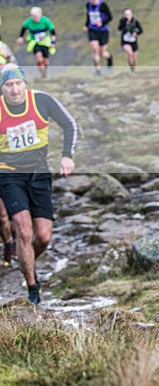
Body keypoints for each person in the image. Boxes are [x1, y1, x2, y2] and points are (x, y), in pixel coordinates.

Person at [0, 64, 77, 305]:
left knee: (42, 237)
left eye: (18, 84)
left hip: (39, 172)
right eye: (9, 85)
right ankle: (32, 285)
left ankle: (27, 258)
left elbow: (69, 124)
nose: (14, 90)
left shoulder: (42, 101)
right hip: (9, 174)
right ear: (2, 88)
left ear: (25, 83)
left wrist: (67, 155)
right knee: (23, 230)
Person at [83, 0, 113, 76]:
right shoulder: (88, 5)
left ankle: (109, 58)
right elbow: (88, 16)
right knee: (95, 49)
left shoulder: (103, 5)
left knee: (102, 53)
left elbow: (110, 17)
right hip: (93, 30)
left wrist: (102, 23)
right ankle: (98, 70)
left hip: (103, 31)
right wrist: (86, 25)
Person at [17, 7, 55, 78]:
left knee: (46, 62)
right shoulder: (28, 22)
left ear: (40, 15)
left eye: (36, 16)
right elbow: (23, 29)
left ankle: (45, 71)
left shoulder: (46, 21)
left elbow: (53, 33)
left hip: (45, 43)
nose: (34, 18)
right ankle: (42, 73)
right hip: (35, 42)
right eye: (33, 16)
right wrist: (20, 37)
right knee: (39, 58)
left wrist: (53, 42)